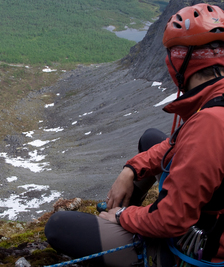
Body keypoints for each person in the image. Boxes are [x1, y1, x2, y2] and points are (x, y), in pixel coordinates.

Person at [45, 3, 224, 266]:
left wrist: (123, 216)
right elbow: (174, 144)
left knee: (60, 226)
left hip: (204, 247)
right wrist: (131, 169)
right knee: (152, 138)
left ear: (179, 61)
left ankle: (142, 247)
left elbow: (171, 221)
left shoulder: (209, 123)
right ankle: (125, 213)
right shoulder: (214, 105)